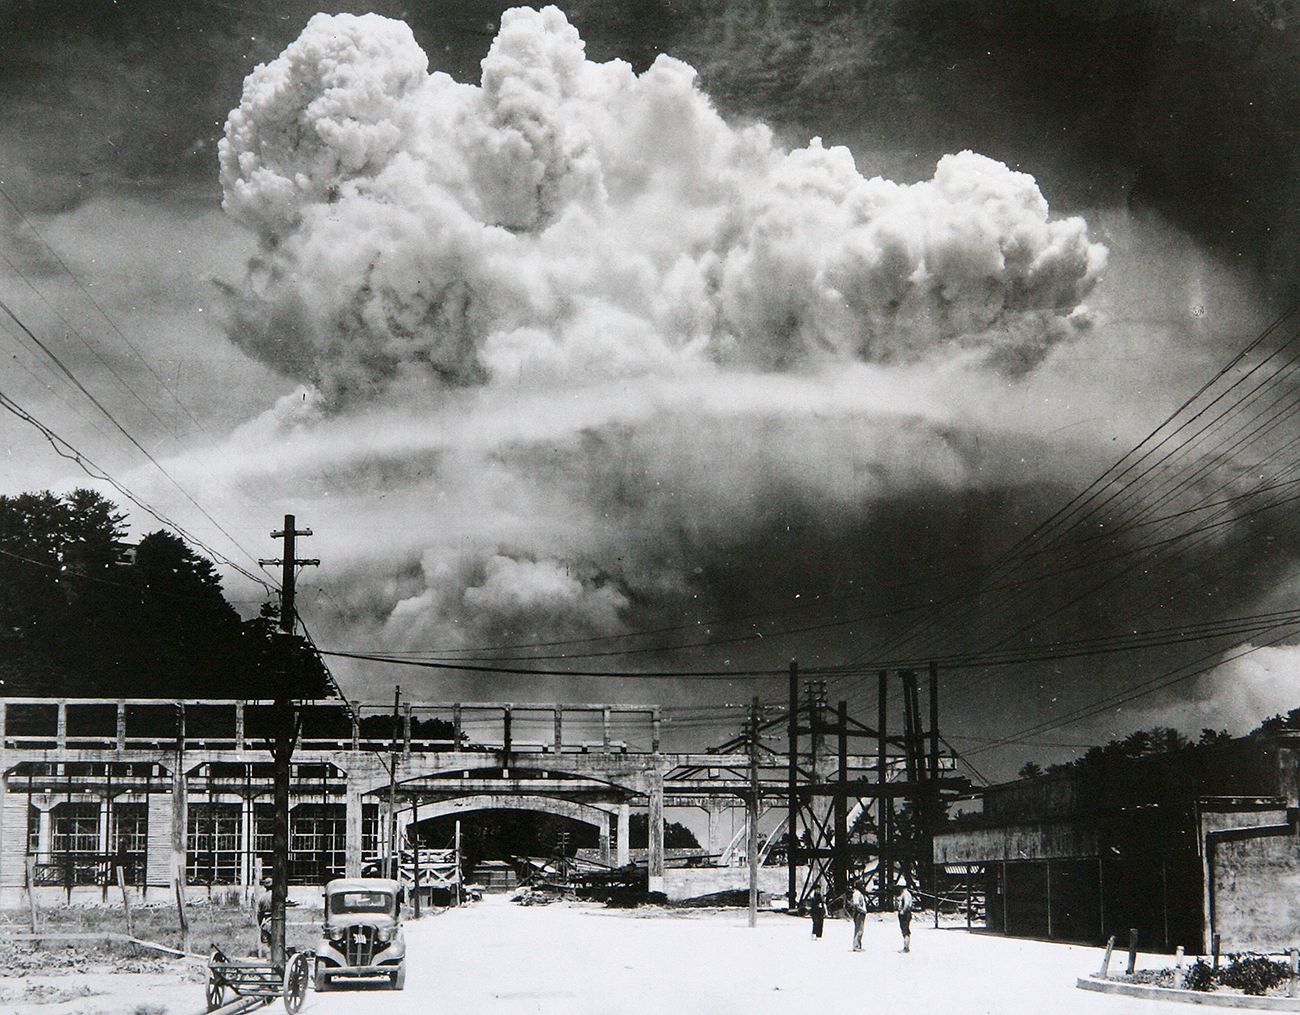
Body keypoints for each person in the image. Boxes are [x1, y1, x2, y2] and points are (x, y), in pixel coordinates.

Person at [254, 877, 273, 957]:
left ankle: (269, 959)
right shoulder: (276, 897)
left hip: (265, 922)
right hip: (274, 921)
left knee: (266, 943)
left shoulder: (262, 898)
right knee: (276, 942)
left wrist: (260, 923)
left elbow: (259, 913)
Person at [848, 879, 867, 952]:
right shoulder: (857, 894)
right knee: (859, 930)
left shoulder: (859, 893)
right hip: (859, 913)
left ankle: (858, 945)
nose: (863, 886)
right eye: (862, 885)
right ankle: (856, 946)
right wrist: (862, 910)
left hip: (861, 913)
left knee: (860, 930)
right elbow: (856, 904)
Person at [897, 884, 915, 953]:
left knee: (905, 931)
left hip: (905, 914)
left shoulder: (905, 894)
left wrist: (903, 911)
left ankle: (906, 948)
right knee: (904, 931)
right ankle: (906, 947)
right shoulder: (906, 893)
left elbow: (907, 904)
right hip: (906, 913)